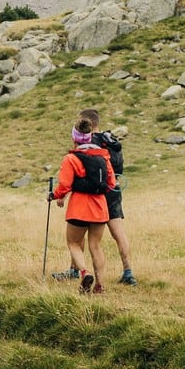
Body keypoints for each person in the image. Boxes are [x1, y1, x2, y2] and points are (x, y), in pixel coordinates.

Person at [49, 123, 115, 293]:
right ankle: (100, 285)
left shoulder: (71, 158)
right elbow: (111, 183)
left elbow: (65, 185)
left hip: (79, 207)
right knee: (96, 246)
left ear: (75, 138)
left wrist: (54, 195)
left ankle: (85, 273)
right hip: (100, 207)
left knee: (74, 242)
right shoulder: (104, 157)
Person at [80, 108, 136, 285]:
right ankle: (128, 272)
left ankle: (75, 269)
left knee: (79, 232)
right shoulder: (110, 139)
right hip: (114, 188)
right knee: (118, 232)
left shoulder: (87, 141)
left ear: (85, 122)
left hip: (95, 192)